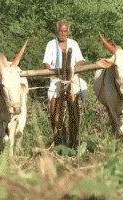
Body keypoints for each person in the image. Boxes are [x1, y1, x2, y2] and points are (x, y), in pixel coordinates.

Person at [42, 20, 87, 148]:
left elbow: (80, 61)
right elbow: (46, 63)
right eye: (61, 31)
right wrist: (54, 75)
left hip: (72, 78)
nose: (63, 33)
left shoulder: (74, 44)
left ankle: (75, 137)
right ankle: (57, 137)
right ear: (57, 31)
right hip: (57, 79)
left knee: (75, 101)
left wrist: (72, 70)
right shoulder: (51, 44)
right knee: (53, 107)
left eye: (65, 31)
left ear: (68, 31)